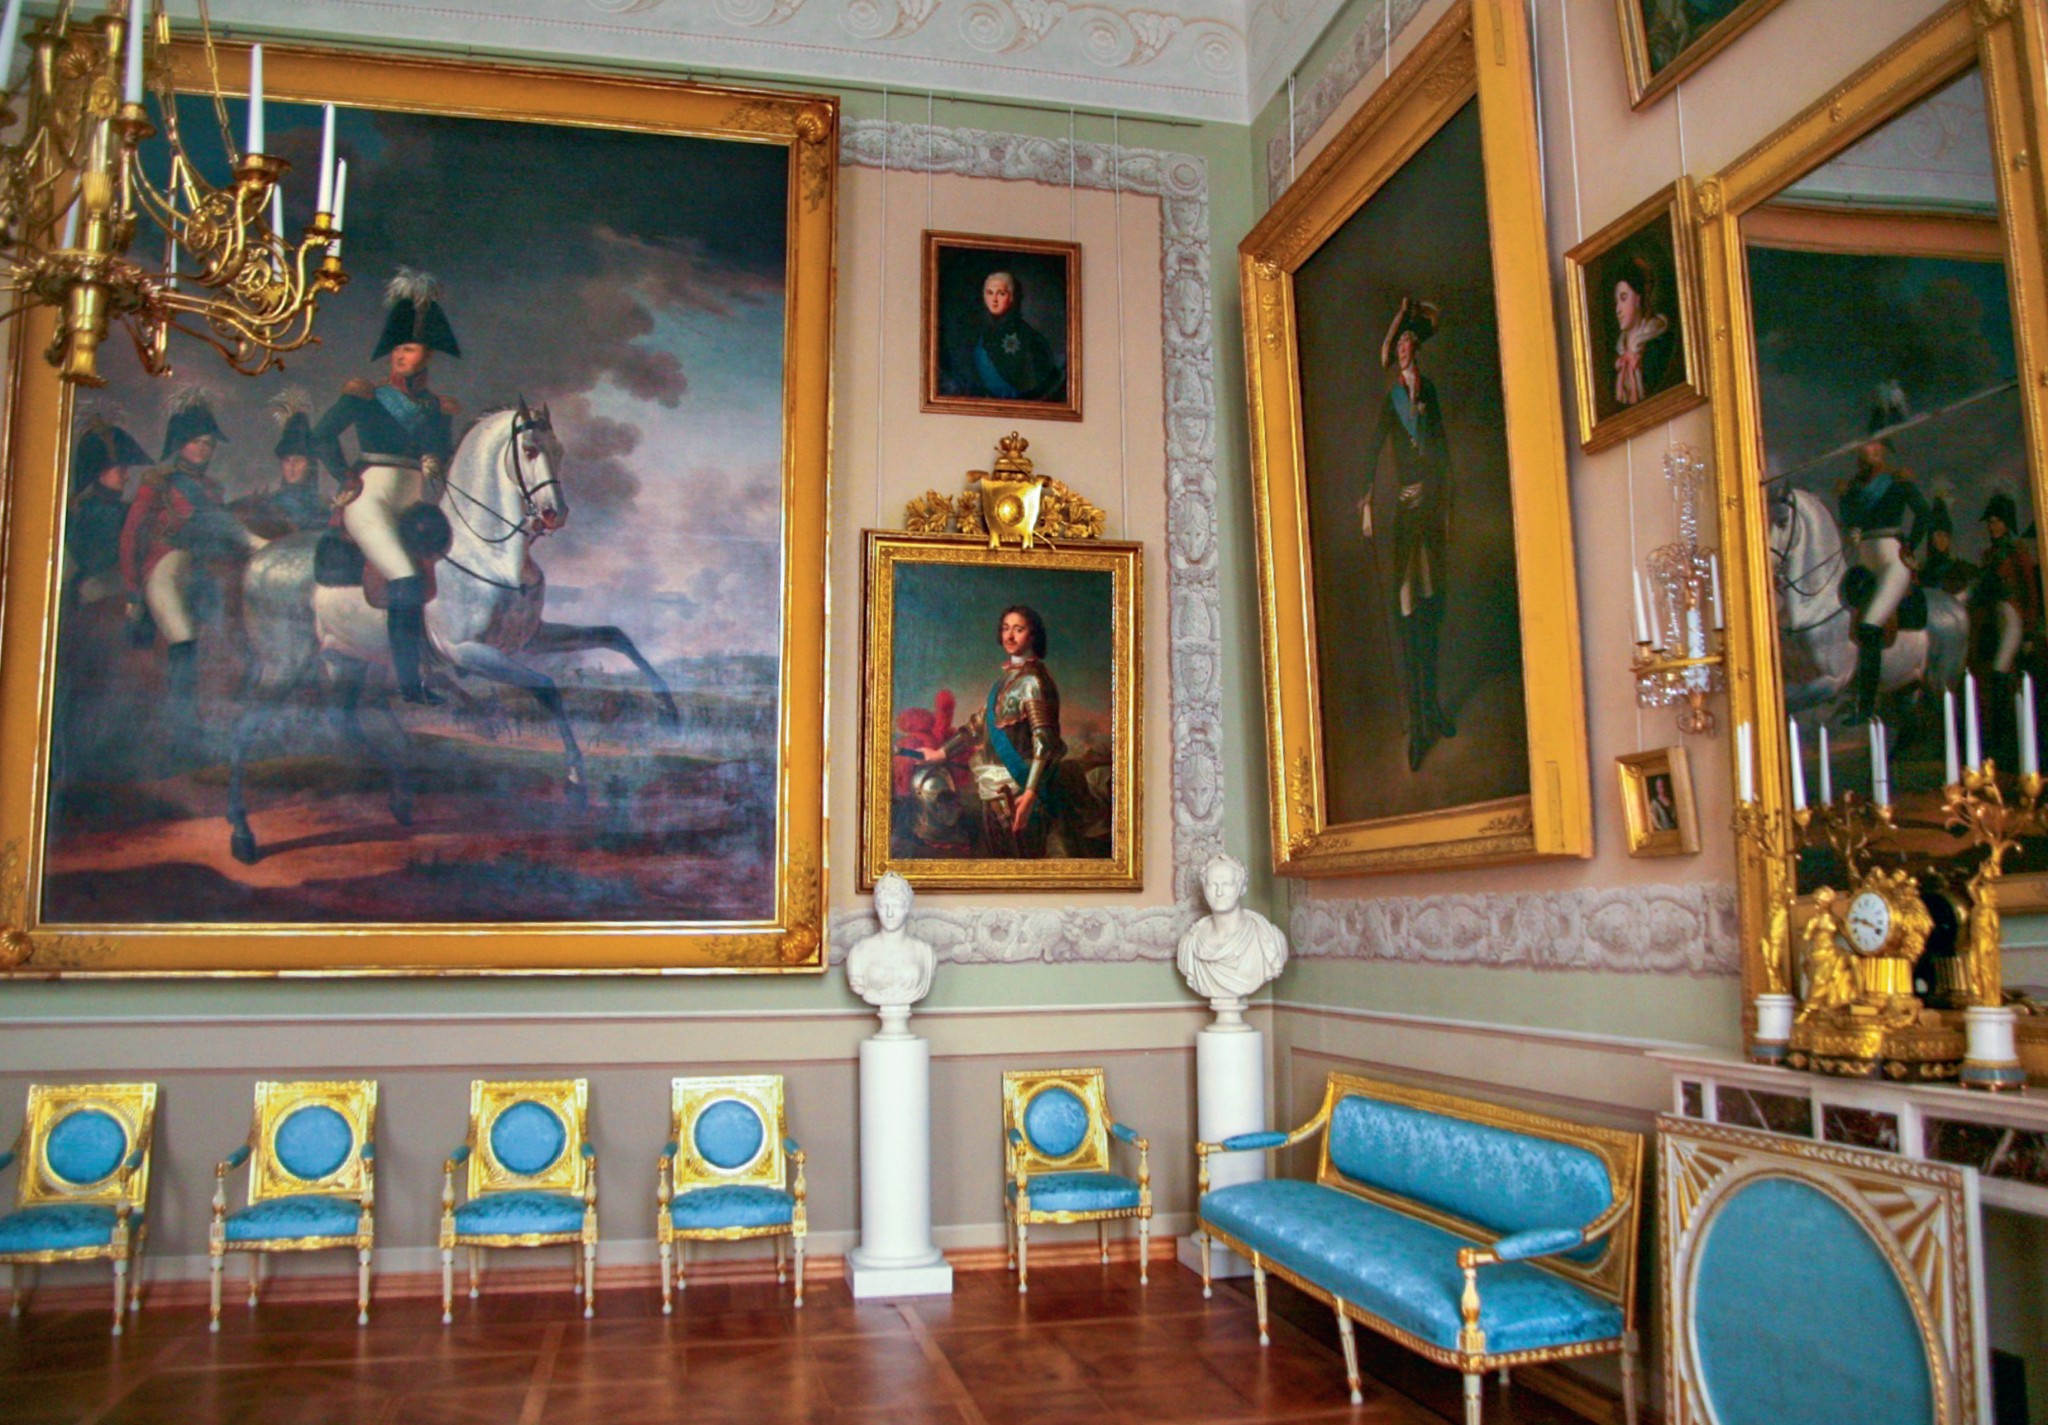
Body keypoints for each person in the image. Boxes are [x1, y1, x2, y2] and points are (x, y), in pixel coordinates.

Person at [311, 268, 462, 704]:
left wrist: (434, 458)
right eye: (397, 348)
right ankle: (410, 685)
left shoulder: (437, 407)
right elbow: (321, 436)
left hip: (413, 504)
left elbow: (440, 450)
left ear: (427, 356)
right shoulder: (366, 395)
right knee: (406, 578)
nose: (399, 355)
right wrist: (345, 475)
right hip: (371, 500)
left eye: (409, 348)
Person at [119, 391, 268, 715]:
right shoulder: (158, 483)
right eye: (195, 442)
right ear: (180, 444)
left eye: (208, 443)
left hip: (203, 568)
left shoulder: (212, 489)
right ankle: (181, 722)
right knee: (183, 637)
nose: (202, 448)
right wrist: (132, 591)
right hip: (166, 566)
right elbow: (131, 536)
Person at [1360, 296, 1456, 771]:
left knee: (1431, 608)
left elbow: (1442, 448)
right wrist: (1365, 502)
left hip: (1430, 511)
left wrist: (1447, 500)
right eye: (1397, 345)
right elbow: (1374, 448)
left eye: (1407, 344)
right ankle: (1418, 727)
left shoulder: (1429, 392)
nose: (1401, 350)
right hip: (1404, 511)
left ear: (1416, 348)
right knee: (1406, 609)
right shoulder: (1391, 400)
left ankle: (1432, 709)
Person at [1836, 398, 1929, 725]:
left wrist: (1910, 547)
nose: (1872, 452)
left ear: (1884, 451)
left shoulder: (1897, 481)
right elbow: (1851, 522)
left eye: (1877, 447)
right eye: (1868, 447)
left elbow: (1923, 514)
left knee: (1869, 626)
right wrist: (1844, 498)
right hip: (1864, 560)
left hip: (1891, 561)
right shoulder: (1855, 488)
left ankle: (1866, 707)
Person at [970, 604, 1064, 858]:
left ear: (1032, 636)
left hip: (1021, 791)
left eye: (1018, 629)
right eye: (1005, 629)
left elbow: (1045, 742)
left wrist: (1031, 793)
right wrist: (941, 753)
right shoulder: (1002, 682)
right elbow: (977, 725)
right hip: (992, 788)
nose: (1010, 636)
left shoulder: (1033, 682)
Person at [1175, 853, 1288, 1009]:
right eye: (1212, 885)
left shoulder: (1269, 939)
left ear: (1242, 887)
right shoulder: (1190, 943)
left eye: (1227, 884)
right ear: (1204, 888)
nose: (1219, 892)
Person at [66, 418, 148, 605]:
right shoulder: (83, 512)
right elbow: (92, 560)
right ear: (101, 472)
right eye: (121, 470)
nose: (127, 477)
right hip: (95, 587)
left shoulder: (124, 508)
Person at [845, 871, 937, 1036]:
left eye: (896, 906)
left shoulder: (925, 953)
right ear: (876, 907)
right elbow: (858, 985)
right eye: (883, 906)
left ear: (907, 908)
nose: (889, 913)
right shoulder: (859, 952)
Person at [953, 270, 1063, 403]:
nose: (994, 300)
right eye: (989, 293)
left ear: (1011, 297)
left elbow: (1037, 383)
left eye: (1001, 293)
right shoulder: (984, 335)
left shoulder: (1027, 335)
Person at [243, 389, 329, 534]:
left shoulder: (324, 509)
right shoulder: (268, 505)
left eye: (298, 460)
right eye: (287, 461)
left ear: (310, 464)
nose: (292, 466)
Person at [1611, 255, 1674, 409]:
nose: (1618, 310)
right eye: (1616, 302)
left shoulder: (1659, 343)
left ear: (1638, 299)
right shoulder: (1619, 355)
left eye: (1623, 298)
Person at [1915, 497, 1976, 596]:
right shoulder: (1922, 569)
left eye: (1946, 536)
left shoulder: (1957, 568)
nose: (1942, 540)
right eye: (1939, 535)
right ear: (1931, 537)